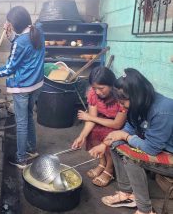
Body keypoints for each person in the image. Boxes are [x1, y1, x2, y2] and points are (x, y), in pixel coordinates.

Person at [89, 68, 173, 214]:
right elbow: (130, 126)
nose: (121, 107)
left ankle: (145, 210)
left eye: (123, 102)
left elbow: (152, 148)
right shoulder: (140, 103)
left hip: (168, 154)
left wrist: (126, 137)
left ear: (136, 96)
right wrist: (105, 144)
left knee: (131, 157)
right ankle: (127, 194)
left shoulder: (162, 109)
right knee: (115, 144)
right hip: (156, 147)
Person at [0, 6, 45, 169]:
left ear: (16, 24)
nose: (7, 24)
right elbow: (23, 48)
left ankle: (21, 159)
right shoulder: (38, 31)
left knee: (21, 122)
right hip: (36, 84)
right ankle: (31, 149)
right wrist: (10, 34)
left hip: (23, 87)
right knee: (28, 116)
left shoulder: (20, 42)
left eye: (9, 22)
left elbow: (10, 67)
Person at [72, 66, 127, 186]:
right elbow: (91, 119)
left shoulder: (120, 95)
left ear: (111, 84)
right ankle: (102, 163)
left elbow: (117, 124)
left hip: (119, 125)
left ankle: (109, 169)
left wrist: (90, 118)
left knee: (107, 135)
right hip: (102, 119)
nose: (97, 92)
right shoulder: (93, 93)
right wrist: (81, 136)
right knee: (93, 131)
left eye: (101, 88)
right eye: (94, 88)